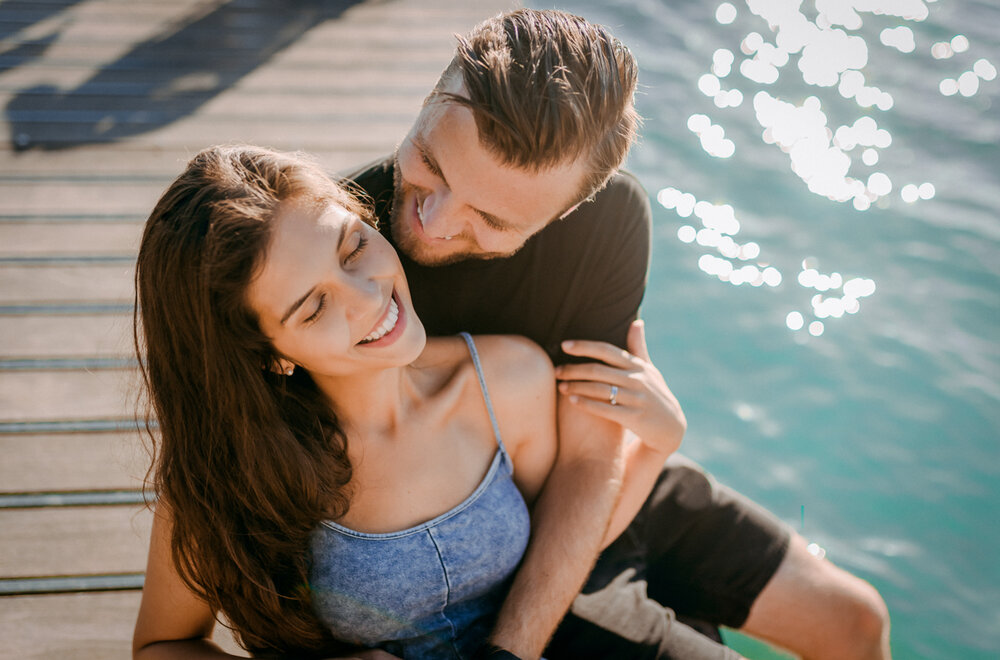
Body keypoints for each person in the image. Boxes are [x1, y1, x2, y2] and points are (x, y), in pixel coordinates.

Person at [343, 8, 893, 660]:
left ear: (570, 209)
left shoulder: (611, 219)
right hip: (492, 550)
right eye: (429, 161)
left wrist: (655, 444)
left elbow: (588, 456)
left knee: (856, 622)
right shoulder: (341, 251)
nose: (432, 221)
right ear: (431, 96)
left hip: (600, 484)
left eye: (489, 218)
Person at [132, 144, 681, 659]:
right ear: (266, 353)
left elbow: (560, 545)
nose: (370, 295)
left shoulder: (508, 378)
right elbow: (160, 647)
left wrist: (656, 449)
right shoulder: (227, 475)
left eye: (353, 246)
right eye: (315, 307)